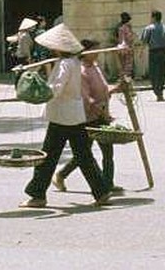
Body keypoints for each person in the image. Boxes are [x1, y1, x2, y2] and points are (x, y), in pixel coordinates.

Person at [20, 24, 112, 208]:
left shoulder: (65, 64)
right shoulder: (74, 63)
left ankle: (37, 194)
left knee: (48, 156)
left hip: (62, 115)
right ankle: (101, 191)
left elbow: (57, 88)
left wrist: (40, 91)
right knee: (83, 155)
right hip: (73, 114)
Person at [53, 39, 123, 195]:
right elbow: (86, 98)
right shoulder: (81, 71)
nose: (97, 53)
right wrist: (101, 111)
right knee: (84, 154)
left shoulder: (95, 67)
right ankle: (62, 175)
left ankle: (107, 183)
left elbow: (102, 91)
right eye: (95, 50)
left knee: (106, 151)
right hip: (89, 117)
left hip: (102, 114)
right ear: (85, 52)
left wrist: (116, 89)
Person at [140, 10, 165, 101]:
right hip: (163, 52)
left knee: (153, 73)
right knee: (162, 73)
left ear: (153, 17)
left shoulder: (148, 29)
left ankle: (157, 91)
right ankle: (160, 91)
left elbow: (144, 42)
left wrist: (141, 53)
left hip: (153, 53)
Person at [114, 12, 136, 79]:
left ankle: (123, 78)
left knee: (122, 65)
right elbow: (130, 38)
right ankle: (127, 79)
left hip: (120, 48)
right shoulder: (127, 27)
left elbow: (115, 37)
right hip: (127, 48)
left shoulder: (118, 27)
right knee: (128, 65)